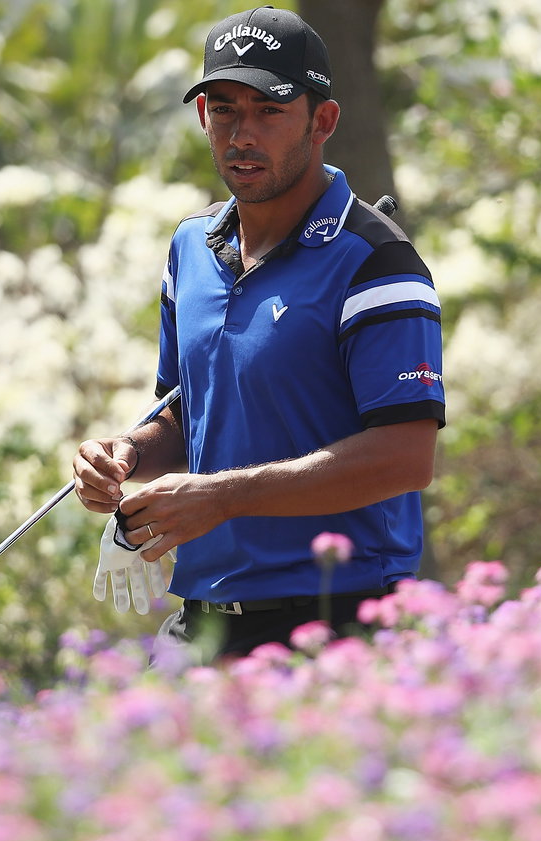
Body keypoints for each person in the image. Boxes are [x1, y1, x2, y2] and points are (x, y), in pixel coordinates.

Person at [72, 5, 444, 660]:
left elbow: (404, 458)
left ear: (322, 120)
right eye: (224, 109)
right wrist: (125, 454)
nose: (242, 133)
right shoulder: (189, 248)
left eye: (268, 110)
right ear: (202, 118)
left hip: (339, 624)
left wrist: (222, 497)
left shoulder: (377, 260)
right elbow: (188, 416)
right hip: (202, 625)